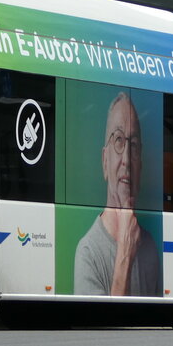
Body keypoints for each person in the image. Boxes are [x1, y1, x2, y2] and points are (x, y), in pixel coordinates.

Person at [73, 91, 161, 297]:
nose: (127, 160)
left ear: (141, 165)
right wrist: (125, 252)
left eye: (134, 146)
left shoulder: (151, 249)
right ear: (105, 161)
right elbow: (105, 327)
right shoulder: (88, 253)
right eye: (119, 140)